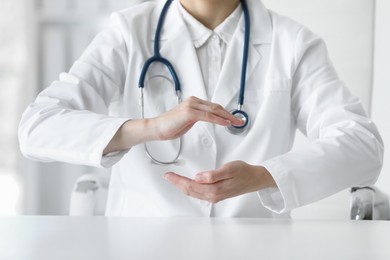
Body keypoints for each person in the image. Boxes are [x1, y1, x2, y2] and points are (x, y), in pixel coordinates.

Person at [19, 0, 383, 217]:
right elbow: (36, 127)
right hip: (142, 244)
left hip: (255, 247)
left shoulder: (292, 43)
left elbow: (363, 147)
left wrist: (264, 175)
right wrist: (148, 128)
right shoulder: (127, 33)